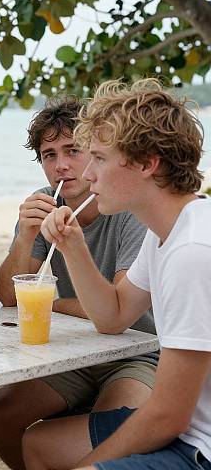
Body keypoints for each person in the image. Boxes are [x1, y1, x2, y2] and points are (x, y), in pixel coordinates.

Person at [22, 78, 211, 470]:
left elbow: (167, 416)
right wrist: (73, 247)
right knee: (40, 444)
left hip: (199, 446)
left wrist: (89, 465)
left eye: (99, 158)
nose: (87, 174)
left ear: (147, 163)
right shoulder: (165, 232)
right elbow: (113, 316)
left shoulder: (192, 251)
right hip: (185, 427)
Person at [0, 96, 156, 470]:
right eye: (48, 155)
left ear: (94, 151)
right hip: (76, 351)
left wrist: (50, 304)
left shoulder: (125, 209)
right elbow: (9, 297)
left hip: (139, 352)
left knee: (106, 435)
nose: (61, 166)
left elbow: (121, 314)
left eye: (73, 150)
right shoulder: (45, 204)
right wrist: (26, 237)